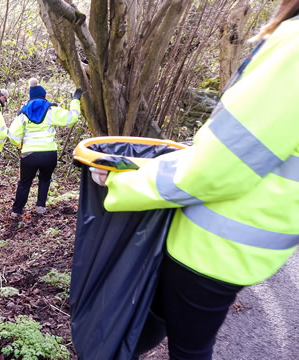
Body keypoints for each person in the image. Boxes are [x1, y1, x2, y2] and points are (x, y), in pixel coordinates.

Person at [90, 2, 299, 358]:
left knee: (189, 346)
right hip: (249, 240)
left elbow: (220, 167)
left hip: (213, 245)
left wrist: (122, 182)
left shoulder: (294, 47)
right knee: (154, 319)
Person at [8, 78, 81, 218]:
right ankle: (40, 207)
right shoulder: (51, 110)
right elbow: (71, 118)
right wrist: (75, 101)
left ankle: (16, 211)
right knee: (45, 179)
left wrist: (19, 144)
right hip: (49, 153)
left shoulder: (23, 113)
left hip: (29, 154)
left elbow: (12, 134)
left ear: (30, 97)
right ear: (44, 96)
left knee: (24, 183)